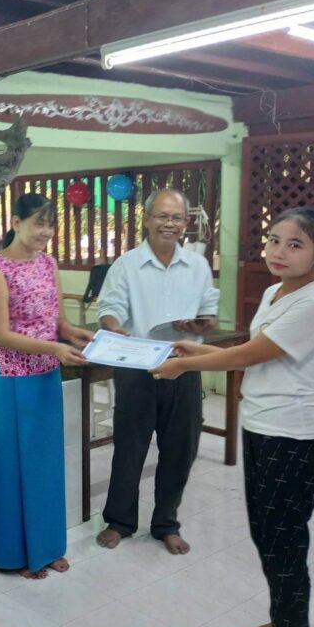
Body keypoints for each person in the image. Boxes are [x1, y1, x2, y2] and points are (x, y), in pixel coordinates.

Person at [151, 206, 314, 627]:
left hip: (292, 440)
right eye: (274, 240)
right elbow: (254, 348)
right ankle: (282, 623)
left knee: (284, 542)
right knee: (266, 535)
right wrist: (198, 349)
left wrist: (184, 365)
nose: (279, 252)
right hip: (263, 428)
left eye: (295, 245)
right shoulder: (277, 291)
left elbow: (247, 357)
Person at [95, 189, 219, 555]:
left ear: (185, 223)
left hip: (183, 365)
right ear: (147, 219)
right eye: (162, 216)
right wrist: (114, 327)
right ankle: (120, 521)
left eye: (176, 217)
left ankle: (166, 523)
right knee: (129, 447)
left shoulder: (197, 266)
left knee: (181, 448)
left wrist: (199, 323)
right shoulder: (127, 265)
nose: (169, 223)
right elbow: (109, 308)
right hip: (137, 367)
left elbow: (209, 313)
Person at [0, 192, 93, 579]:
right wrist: (54, 348)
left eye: (50, 225)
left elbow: (58, 321)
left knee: (45, 465)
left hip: (46, 374)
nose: (45, 232)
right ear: (16, 223)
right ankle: (15, 555)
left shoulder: (48, 262)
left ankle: (46, 548)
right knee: (14, 467)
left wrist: (76, 334)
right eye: (38, 224)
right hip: (12, 380)